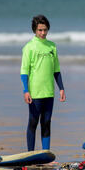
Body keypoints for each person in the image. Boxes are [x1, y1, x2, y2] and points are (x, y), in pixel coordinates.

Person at [20, 15, 66, 151]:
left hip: (49, 92)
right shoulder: (29, 47)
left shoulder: (52, 46)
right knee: (33, 122)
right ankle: (31, 154)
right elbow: (24, 72)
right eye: (40, 30)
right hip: (35, 93)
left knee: (46, 123)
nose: (43, 33)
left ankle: (46, 154)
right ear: (35, 30)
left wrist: (61, 88)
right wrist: (25, 90)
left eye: (45, 30)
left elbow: (56, 70)